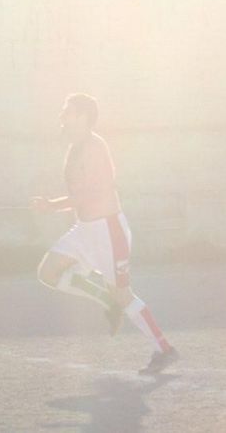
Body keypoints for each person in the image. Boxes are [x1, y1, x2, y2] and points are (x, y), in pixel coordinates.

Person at [32, 93, 179, 375]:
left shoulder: (95, 147)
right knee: (47, 272)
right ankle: (105, 298)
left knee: (124, 295)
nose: (62, 116)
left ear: (83, 116)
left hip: (108, 232)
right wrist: (53, 206)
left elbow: (95, 193)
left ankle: (165, 350)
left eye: (67, 111)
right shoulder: (74, 147)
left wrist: (52, 205)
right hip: (84, 230)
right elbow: (81, 195)